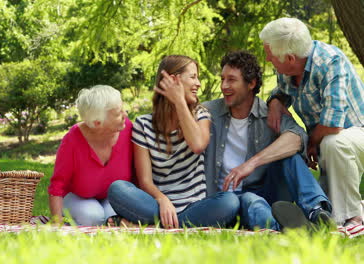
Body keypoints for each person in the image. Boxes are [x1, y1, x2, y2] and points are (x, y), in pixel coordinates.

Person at [201, 50, 332, 231]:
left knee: (290, 157)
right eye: (222, 79)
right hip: (222, 200)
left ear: (251, 83)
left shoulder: (268, 114)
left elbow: (297, 138)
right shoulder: (208, 112)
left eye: (231, 80)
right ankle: (293, 229)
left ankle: (317, 212)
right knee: (251, 201)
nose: (224, 86)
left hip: (265, 192)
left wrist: (252, 163)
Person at [108, 55, 239, 228]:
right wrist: (162, 200)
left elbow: (198, 145)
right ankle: (170, 223)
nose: (198, 83)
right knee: (118, 189)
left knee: (230, 202)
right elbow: (145, 181)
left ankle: (153, 225)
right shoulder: (143, 125)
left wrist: (179, 101)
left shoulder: (201, 115)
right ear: (173, 80)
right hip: (156, 205)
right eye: (193, 77)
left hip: (194, 207)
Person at [260, 17, 364, 226]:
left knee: (334, 143)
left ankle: (352, 217)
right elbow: (280, 93)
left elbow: (334, 124)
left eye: (269, 54)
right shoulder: (288, 70)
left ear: (289, 57)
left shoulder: (330, 62)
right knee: (294, 146)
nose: (268, 58)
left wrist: (312, 143)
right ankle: (318, 212)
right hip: (326, 139)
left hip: (355, 132)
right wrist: (274, 102)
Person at [47, 85, 133, 226]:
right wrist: (56, 219)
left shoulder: (128, 129)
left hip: (111, 196)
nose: (125, 115)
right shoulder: (73, 140)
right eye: (118, 113)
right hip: (78, 196)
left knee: (113, 217)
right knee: (93, 216)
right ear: (97, 123)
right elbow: (58, 184)